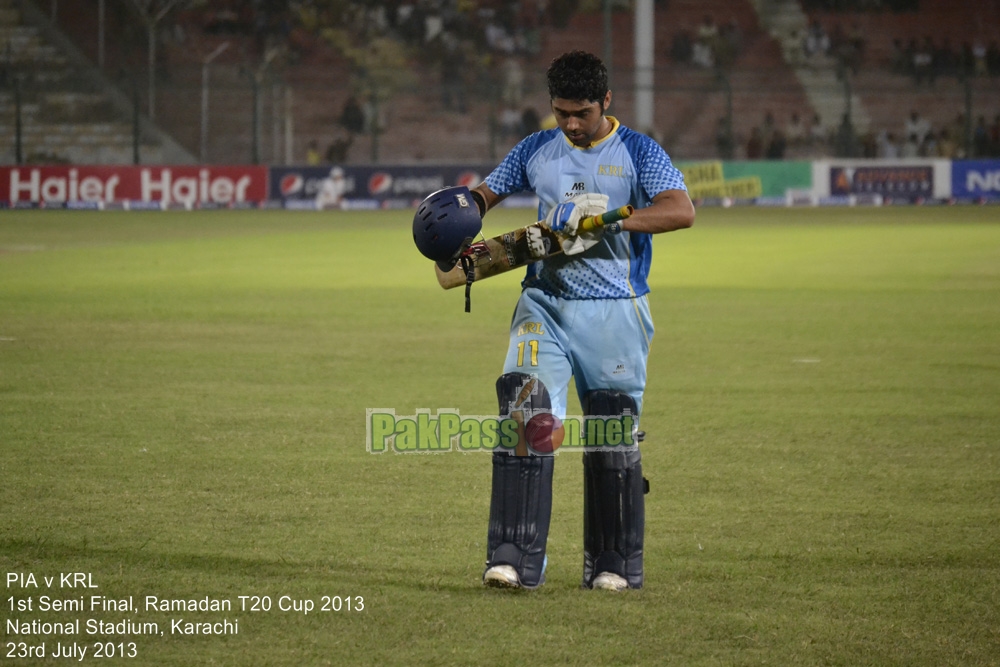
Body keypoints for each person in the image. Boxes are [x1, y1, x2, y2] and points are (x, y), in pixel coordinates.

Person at [467, 50, 695, 592]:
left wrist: (614, 223)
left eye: (582, 113)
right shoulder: (537, 147)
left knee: (611, 431)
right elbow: (487, 191)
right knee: (526, 411)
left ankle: (613, 562)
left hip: (615, 309)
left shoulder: (639, 150)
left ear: (607, 102)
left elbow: (681, 209)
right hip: (544, 301)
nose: (571, 124)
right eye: (562, 112)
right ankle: (513, 558)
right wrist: (462, 213)